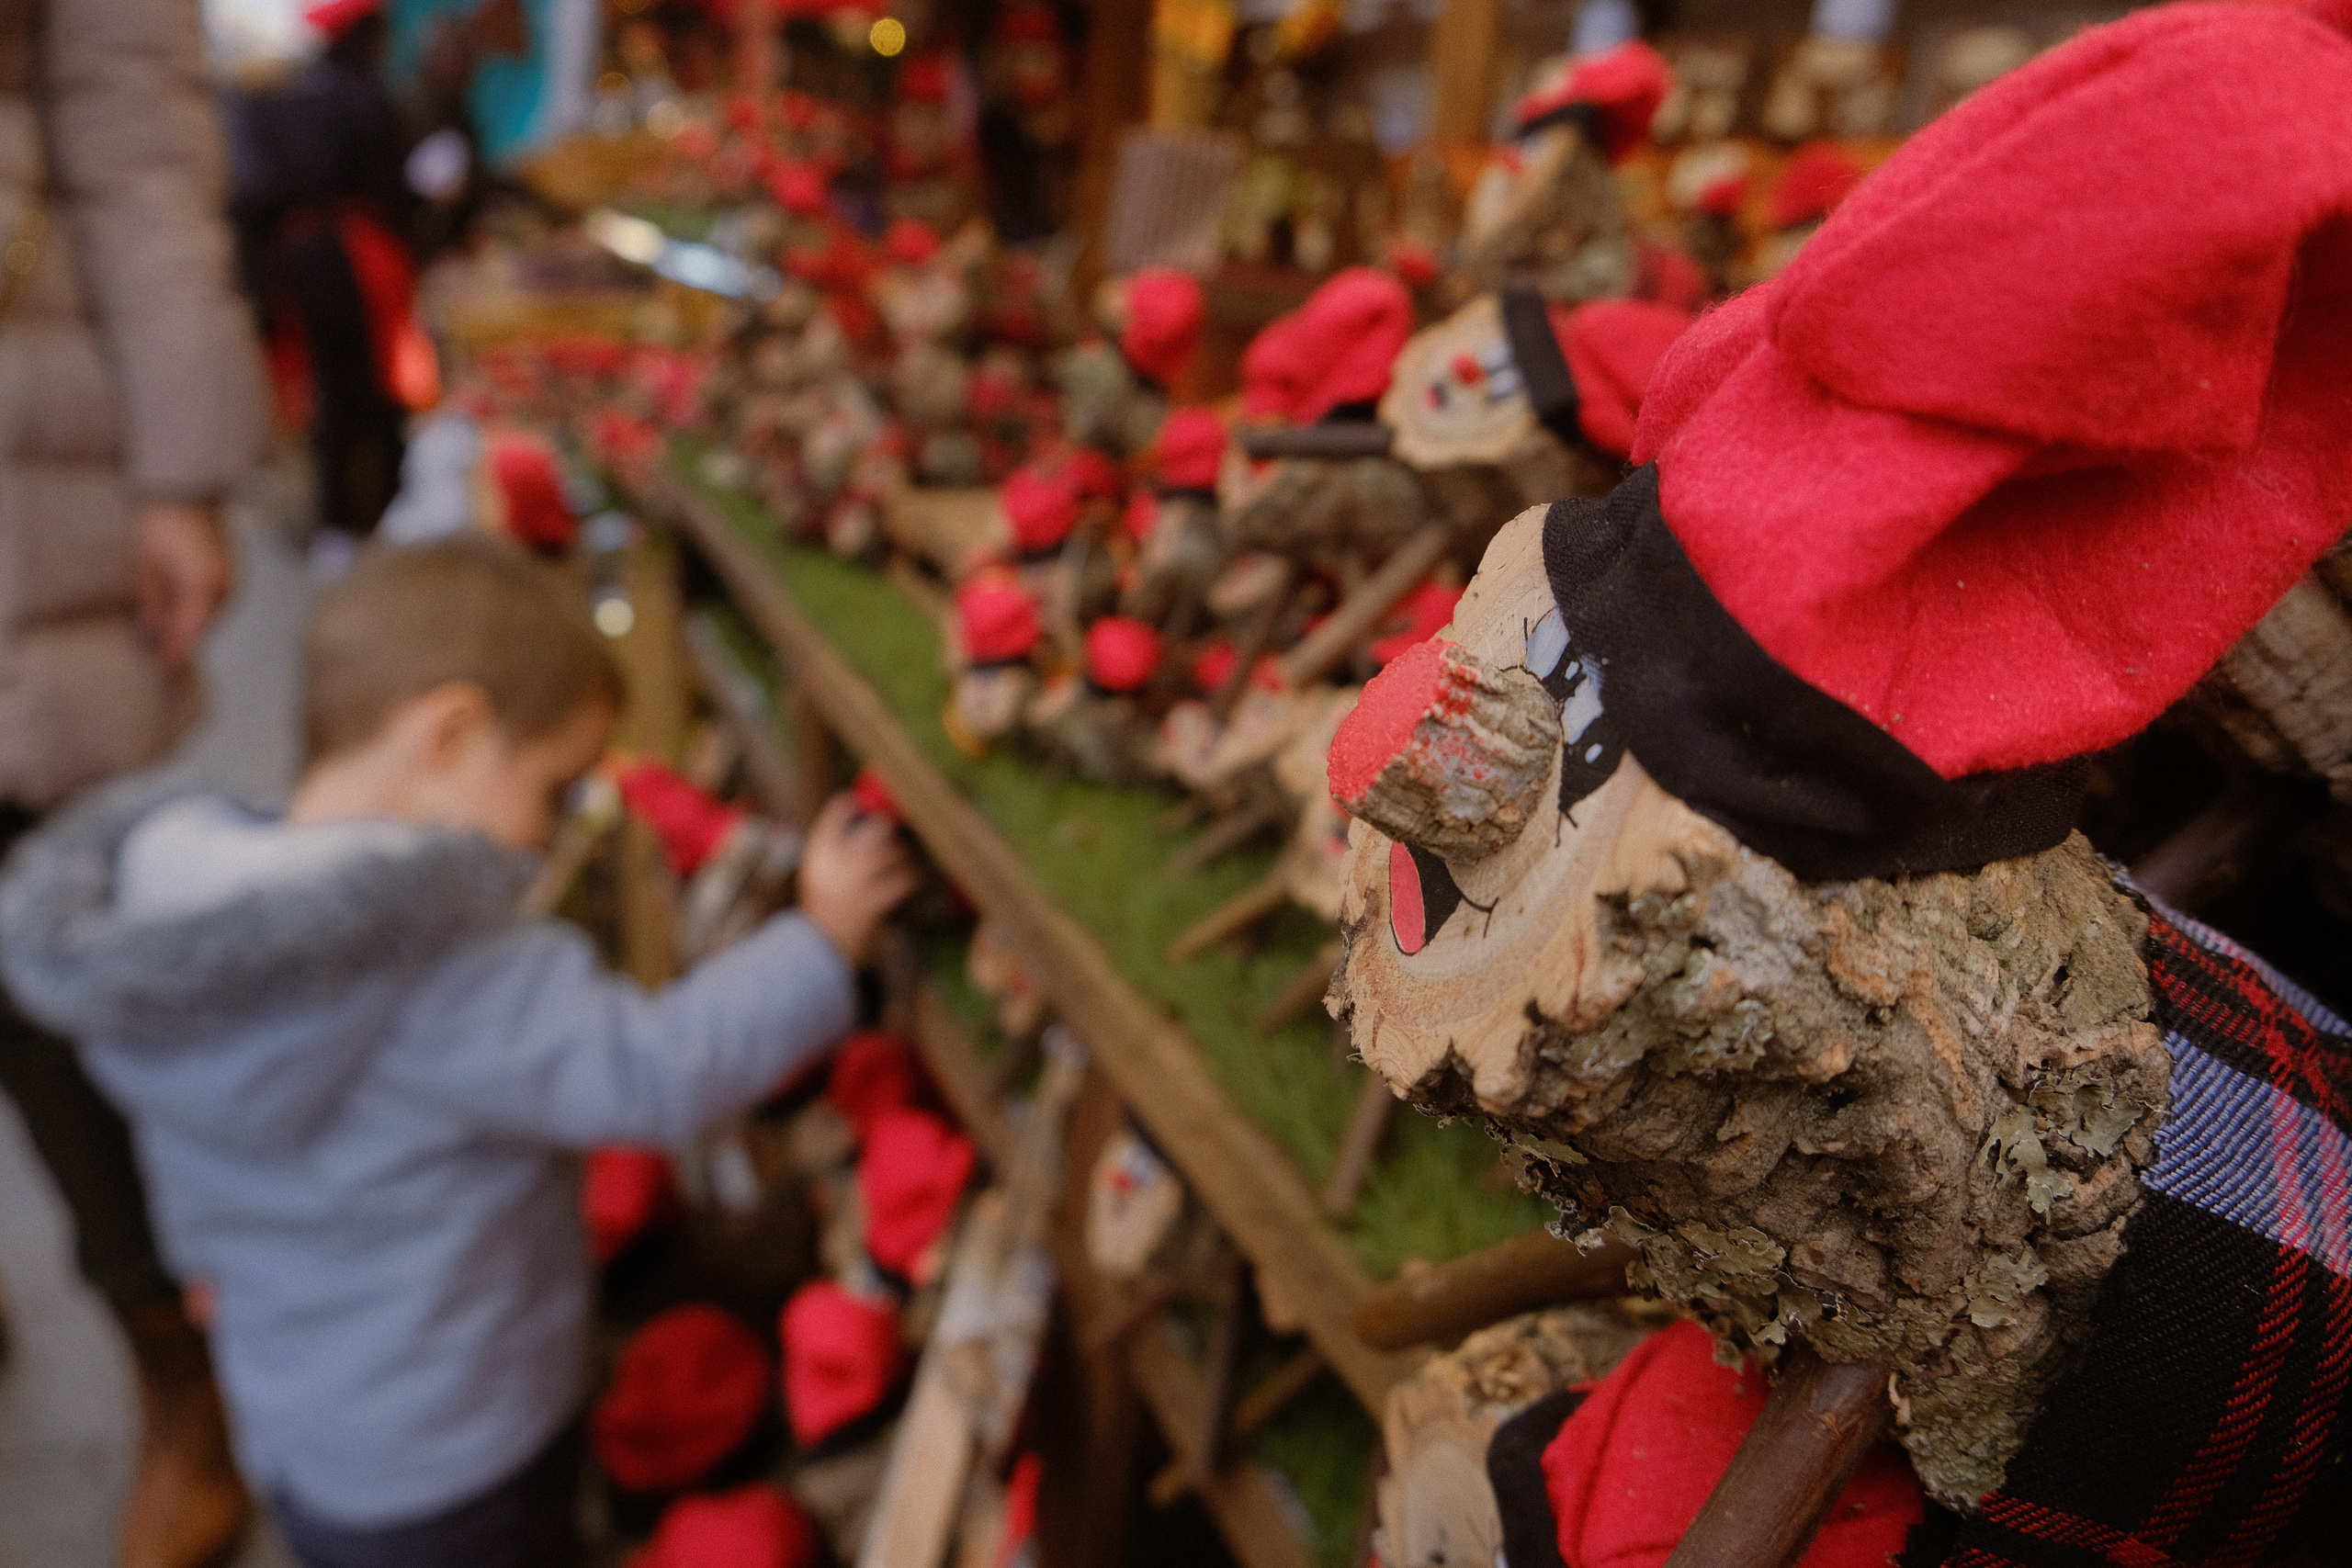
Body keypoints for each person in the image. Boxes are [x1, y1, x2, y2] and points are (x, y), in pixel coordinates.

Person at [0, 538, 917, 1568]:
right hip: (466, 1439)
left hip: (305, 1438)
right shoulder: (449, 967)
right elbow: (660, 1070)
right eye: (554, 787)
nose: (545, 833)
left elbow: (190, 1175)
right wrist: (821, 941)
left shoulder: (171, 919)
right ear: (449, 736)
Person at [0, 0, 269, 1564]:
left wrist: (181, 464)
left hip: (23, 447)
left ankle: (176, 1361)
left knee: (46, 970)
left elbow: (134, 131)